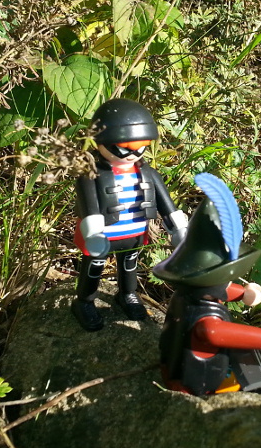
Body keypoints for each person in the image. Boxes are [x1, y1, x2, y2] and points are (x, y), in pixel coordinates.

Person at [154, 174, 261, 395]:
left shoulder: (189, 295)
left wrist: (243, 294)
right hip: (197, 380)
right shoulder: (205, 320)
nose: (226, 284)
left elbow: (219, 291)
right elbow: (217, 332)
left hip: (179, 366)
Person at [73, 98, 188, 330]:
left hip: (134, 233)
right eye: (124, 148)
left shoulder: (148, 173)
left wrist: (178, 227)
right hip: (102, 235)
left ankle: (127, 294)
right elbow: (89, 206)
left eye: (140, 147)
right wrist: (93, 233)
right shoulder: (90, 175)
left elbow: (166, 203)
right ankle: (84, 301)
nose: (132, 154)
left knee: (129, 265)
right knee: (94, 268)